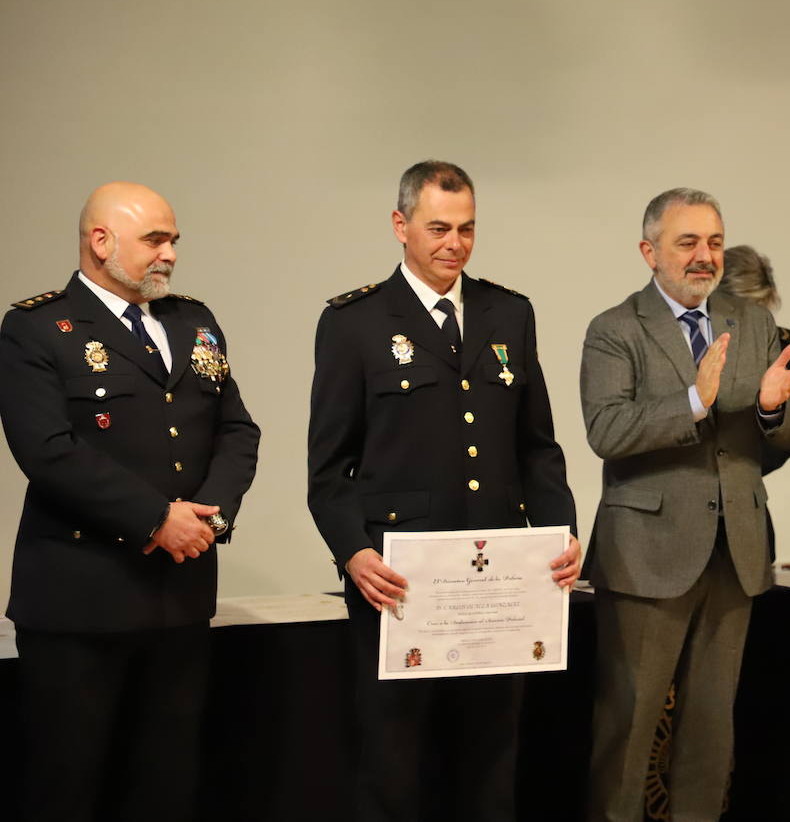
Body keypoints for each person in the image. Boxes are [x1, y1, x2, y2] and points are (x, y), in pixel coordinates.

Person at [306, 160, 580, 821]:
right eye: (437, 228)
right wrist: (353, 553)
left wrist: (561, 532)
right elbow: (327, 469)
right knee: (394, 770)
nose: (454, 242)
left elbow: (537, 449)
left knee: (491, 762)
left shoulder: (508, 313)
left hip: (498, 584)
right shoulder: (357, 323)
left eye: (466, 228)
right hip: (400, 585)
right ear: (401, 227)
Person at [0, 181, 260, 821]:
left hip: (178, 596)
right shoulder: (37, 328)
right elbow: (49, 451)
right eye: (154, 239)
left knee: (167, 784)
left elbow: (236, 430)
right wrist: (156, 519)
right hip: (79, 601)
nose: (169, 253)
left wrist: (208, 517)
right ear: (100, 241)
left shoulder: (193, 321)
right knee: (70, 786)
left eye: (173, 239)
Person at [580, 188, 790, 822]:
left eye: (713, 241)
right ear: (650, 252)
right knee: (628, 729)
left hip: (734, 549)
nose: (704, 256)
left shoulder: (753, 322)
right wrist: (693, 401)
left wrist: (770, 408)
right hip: (646, 557)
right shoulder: (615, 329)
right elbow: (607, 431)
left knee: (712, 728)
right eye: (688, 243)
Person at [719, 244, 790, 561]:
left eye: (761, 313)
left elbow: (786, 444)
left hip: (744, 522)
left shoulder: (777, 346)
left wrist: (770, 412)